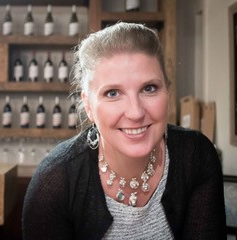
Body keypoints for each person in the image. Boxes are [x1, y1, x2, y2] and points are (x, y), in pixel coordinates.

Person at [22, 22, 226, 240]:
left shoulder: (196, 155)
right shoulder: (53, 184)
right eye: (112, 93)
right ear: (88, 106)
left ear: (167, 90)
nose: (135, 112)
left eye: (149, 88)